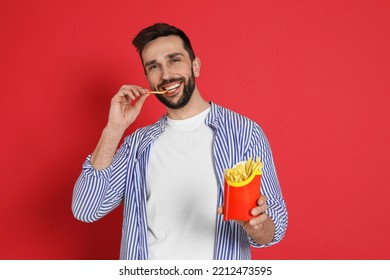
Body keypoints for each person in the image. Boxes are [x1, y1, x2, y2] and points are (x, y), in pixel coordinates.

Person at [72, 23, 287, 260]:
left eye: (174, 60)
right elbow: (86, 209)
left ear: (195, 66)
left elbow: (274, 228)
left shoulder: (244, 133)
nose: (165, 75)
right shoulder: (138, 144)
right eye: (154, 66)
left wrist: (257, 227)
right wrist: (114, 129)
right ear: (147, 78)